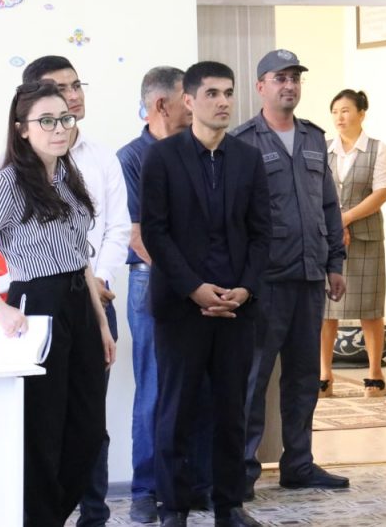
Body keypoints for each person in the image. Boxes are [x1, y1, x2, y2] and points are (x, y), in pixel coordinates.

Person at [0, 81, 116, 526]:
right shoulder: (7, 183)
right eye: (46, 121)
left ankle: (51, 516)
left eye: (65, 118)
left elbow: (80, 255)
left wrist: (101, 324)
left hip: (79, 302)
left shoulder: (68, 176)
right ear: (22, 129)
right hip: (35, 305)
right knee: (42, 430)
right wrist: (0, 307)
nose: (59, 128)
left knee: (87, 430)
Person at [141, 61, 270, 527]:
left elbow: (261, 233)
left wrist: (245, 289)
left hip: (236, 307)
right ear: (189, 101)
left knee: (231, 411)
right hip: (182, 307)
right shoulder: (162, 157)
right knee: (176, 410)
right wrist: (195, 289)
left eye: (228, 93)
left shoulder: (248, 158)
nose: (223, 102)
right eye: (212, 93)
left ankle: (229, 504)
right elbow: (155, 233)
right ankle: (174, 507)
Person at [233, 49, 350, 496]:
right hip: (264, 283)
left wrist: (334, 263)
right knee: (254, 376)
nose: (289, 86)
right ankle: (241, 470)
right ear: (260, 86)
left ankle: (299, 464)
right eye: (280, 78)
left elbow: (329, 206)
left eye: (295, 78)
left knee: (303, 377)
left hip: (309, 277)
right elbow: (234, 217)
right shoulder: (243, 141)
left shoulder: (314, 138)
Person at [22, 55, 131, 527]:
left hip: (94, 300)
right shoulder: (18, 171)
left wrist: (99, 282)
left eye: (75, 85)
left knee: (90, 421)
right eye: (58, 89)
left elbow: (117, 227)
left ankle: (94, 514)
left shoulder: (100, 157)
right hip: (40, 309)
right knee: (44, 423)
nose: (71, 96)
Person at [118, 66, 214, 524]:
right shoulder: (131, 158)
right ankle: (146, 489)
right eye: (186, 97)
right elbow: (138, 236)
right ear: (162, 105)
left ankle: (195, 485)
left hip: (200, 287)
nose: (194, 105)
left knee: (199, 385)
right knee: (155, 388)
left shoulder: (197, 151)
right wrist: (188, 280)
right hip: (153, 283)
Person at [319, 89, 386, 397]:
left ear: (362, 113)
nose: (340, 116)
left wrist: (345, 219)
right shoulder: (323, 149)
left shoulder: (377, 149)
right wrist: (334, 224)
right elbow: (315, 190)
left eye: (346, 110)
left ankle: (374, 375)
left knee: (369, 307)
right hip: (328, 237)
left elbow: (382, 192)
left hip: (365, 238)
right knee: (326, 309)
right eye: (335, 111)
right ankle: (324, 375)